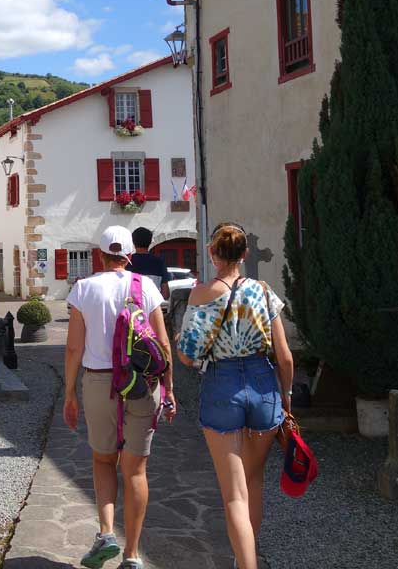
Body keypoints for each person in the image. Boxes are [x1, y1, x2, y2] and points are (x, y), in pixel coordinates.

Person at [175, 223, 294, 569]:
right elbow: (285, 356)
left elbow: (187, 355)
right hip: (264, 384)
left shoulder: (202, 294)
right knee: (253, 480)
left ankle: (246, 564)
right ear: (244, 255)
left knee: (234, 495)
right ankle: (247, 555)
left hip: (223, 385)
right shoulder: (264, 291)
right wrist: (285, 398)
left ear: (213, 254)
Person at [63, 225, 175, 569]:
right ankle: (133, 555)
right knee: (136, 470)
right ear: (129, 255)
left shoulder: (83, 289)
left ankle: (107, 532)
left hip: (99, 384)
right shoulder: (147, 287)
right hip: (142, 385)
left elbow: (73, 348)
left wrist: (69, 393)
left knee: (103, 460)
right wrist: (169, 389)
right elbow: (163, 343)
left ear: (99, 254)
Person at [127, 227, 171, 299]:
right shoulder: (159, 263)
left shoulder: (127, 262)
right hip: (152, 307)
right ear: (150, 242)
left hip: (131, 308)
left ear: (133, 242)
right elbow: (165, 294)